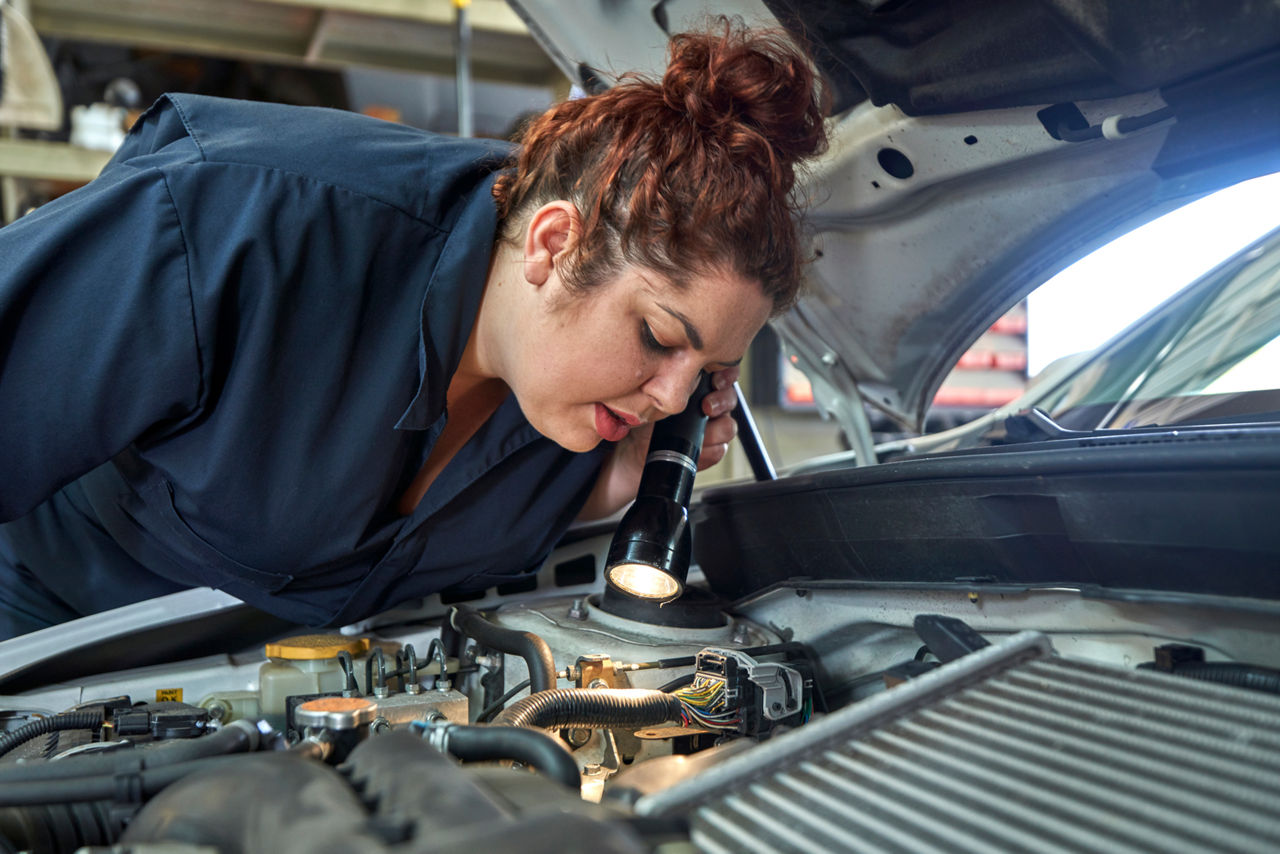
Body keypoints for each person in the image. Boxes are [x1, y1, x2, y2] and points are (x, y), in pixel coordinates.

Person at [0, 23, 827, 640]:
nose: (673, 395)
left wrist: (603, 496)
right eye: (657, 334)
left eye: (708, 370)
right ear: (552, 243)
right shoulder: (232, 224)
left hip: (269, 694)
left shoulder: (575, 421)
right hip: (41, 625)